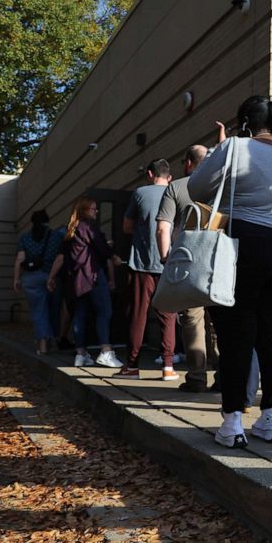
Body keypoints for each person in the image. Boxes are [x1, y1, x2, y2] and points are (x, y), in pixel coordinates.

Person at [188, 95, 272, 448]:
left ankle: (232, 422)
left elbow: (197, 189)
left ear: (244, 123)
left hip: (246, 241)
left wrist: (221, 153)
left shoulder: (235, 147)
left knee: (236, 329)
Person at [113, 159, 178, 381]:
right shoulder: (176, 192)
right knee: (168, 316)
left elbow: (127, 226)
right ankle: (168, 366)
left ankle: (132, 366)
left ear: (150, 174)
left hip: (142, 263)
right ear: (169, 177)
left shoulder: (140, 192)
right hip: (169, 263)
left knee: (138, 315)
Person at [157, 144, 215, 392]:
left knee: (192, 320)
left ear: (189, 163)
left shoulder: (176, 187)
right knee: (218, 321)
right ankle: (224, 378)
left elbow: (163, 228)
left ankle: (197, 377)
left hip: (188, 259)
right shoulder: (219, 187)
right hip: (216, 260)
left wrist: (165, 258)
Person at [47, 197, 124, 369]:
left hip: (76, 281)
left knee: (80, 316)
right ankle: (106, 351)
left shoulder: (70, 232)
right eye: (93, 209)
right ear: (83, 211)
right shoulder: (88, 226)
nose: (96, 212)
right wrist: (113, 255)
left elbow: (61, 257)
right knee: (104, 311)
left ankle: (80, 354)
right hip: (93, 277)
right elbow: (102, 248)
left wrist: (51, 277)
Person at [14, 210, 64, 354]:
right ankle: (52, 338)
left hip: (31, 279)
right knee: (54, 310)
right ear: (47, 222)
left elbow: (20, 259)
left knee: (39, 311)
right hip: (52, 277)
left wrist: (16, 279)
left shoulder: (25, 238)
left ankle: (42, 345)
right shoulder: (56, 236)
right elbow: (61, 257)